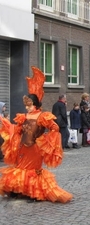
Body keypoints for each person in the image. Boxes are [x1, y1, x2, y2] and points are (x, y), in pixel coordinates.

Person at [0, 67, 72, 203]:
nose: (27, 107)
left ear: (36, 104)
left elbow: (55, 128)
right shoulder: (25, 115)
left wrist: (44, 140)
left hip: (35, 149)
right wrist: (10, 128)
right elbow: (20, 129)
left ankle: (33, 192)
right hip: (23, 147)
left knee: (32, 170)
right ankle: (20, 190)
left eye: (29, 105)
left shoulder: (42, 116)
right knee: (20, 168)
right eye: (26, 105)